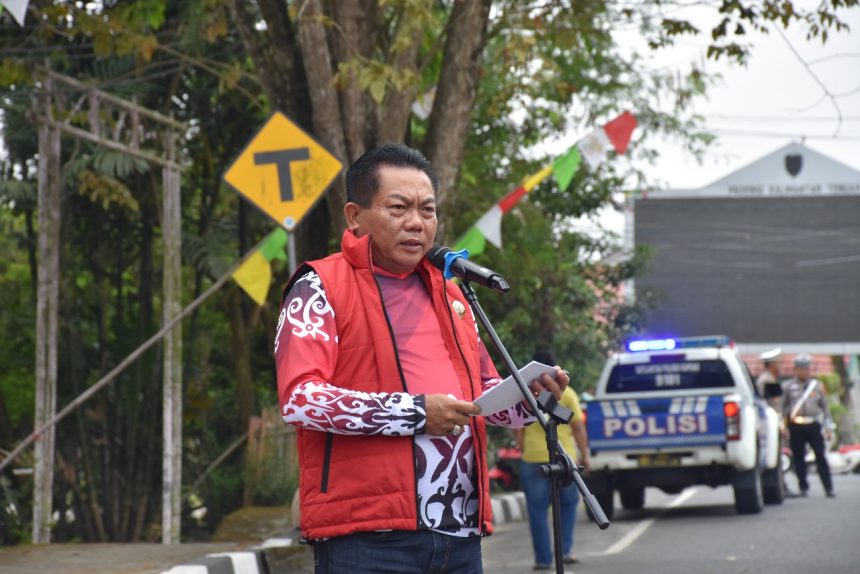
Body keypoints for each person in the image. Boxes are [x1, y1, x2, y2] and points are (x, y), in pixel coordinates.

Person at [273, 143, 571, 574]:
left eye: (427, 210)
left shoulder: (452, 294)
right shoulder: (319, 287)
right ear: (355, 216)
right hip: (369, 539)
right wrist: (415, 413)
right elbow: (301, 399)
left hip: (459, 534)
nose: (416, 222)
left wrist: (526, 398)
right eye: (398, 208)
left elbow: (481, 398)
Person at [513, 351, 590, 571]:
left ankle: (543, 559)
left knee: (537, 510)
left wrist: (523, 447)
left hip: (532, 458)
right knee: (567, 505)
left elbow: (517, 426)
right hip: (563, 458)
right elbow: (577, 426)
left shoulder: (524, 393)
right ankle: (565, 551)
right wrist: (584, 455)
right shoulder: (568, 393)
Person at [781, 354, 835, 498]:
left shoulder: (817, 386)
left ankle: (828, 487)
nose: (805, 372)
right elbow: (783, 408)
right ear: (795, 369)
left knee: (820, 456)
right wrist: (784, 427)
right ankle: (803, 486)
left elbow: (825, 408)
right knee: (798, 457)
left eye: (807, 369)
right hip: (796, 425)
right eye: (801, 369)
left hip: (813, 424)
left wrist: (828, 427)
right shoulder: (787, 386)